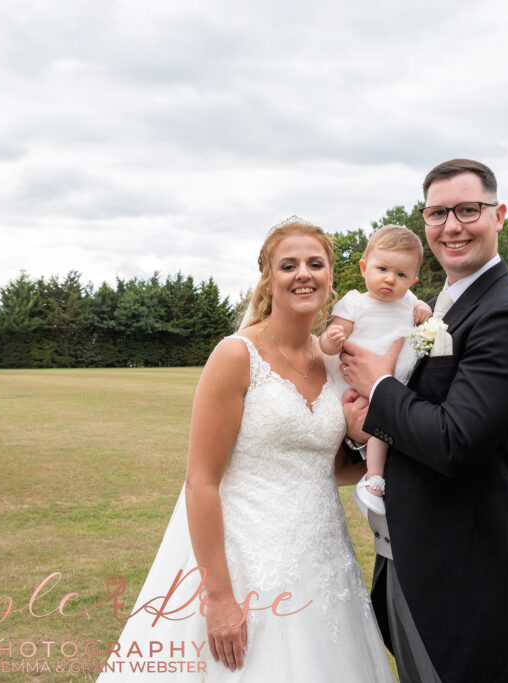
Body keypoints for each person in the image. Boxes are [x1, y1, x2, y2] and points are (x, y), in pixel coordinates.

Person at [99, 219, 394, 682]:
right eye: (289, 264)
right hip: (248, 562)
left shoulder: (335, 362)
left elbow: (329, 467)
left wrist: (360, 437)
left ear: (331, 278)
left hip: (323, 565)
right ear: (267, 279)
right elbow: (200, 481)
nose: (304, 274)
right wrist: (218, 597)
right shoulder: (237, 355)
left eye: (316, 264)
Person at [340, 159, 508, 682]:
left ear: (498, 215)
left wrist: (380, 387)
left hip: (467, 566)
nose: (452, 225)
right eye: (437, 213)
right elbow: (410, 406)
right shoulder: (434, 309)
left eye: (468, 209)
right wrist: (358, 430)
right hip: (409, 549)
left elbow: (456, 441)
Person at [319, 225, 431, 519]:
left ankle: (374, 479)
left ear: (413, 280)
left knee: (385, 424)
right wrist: (331, 340)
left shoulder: (409, 302)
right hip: (354, 381)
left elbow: (421, 314)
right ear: (364, 267)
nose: (390, 279)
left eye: (402, 275)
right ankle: (374, 477)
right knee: (374, 422)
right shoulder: (354, 303)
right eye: (382, 269)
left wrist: (424, 310)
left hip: (393, 381)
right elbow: (331, 343)